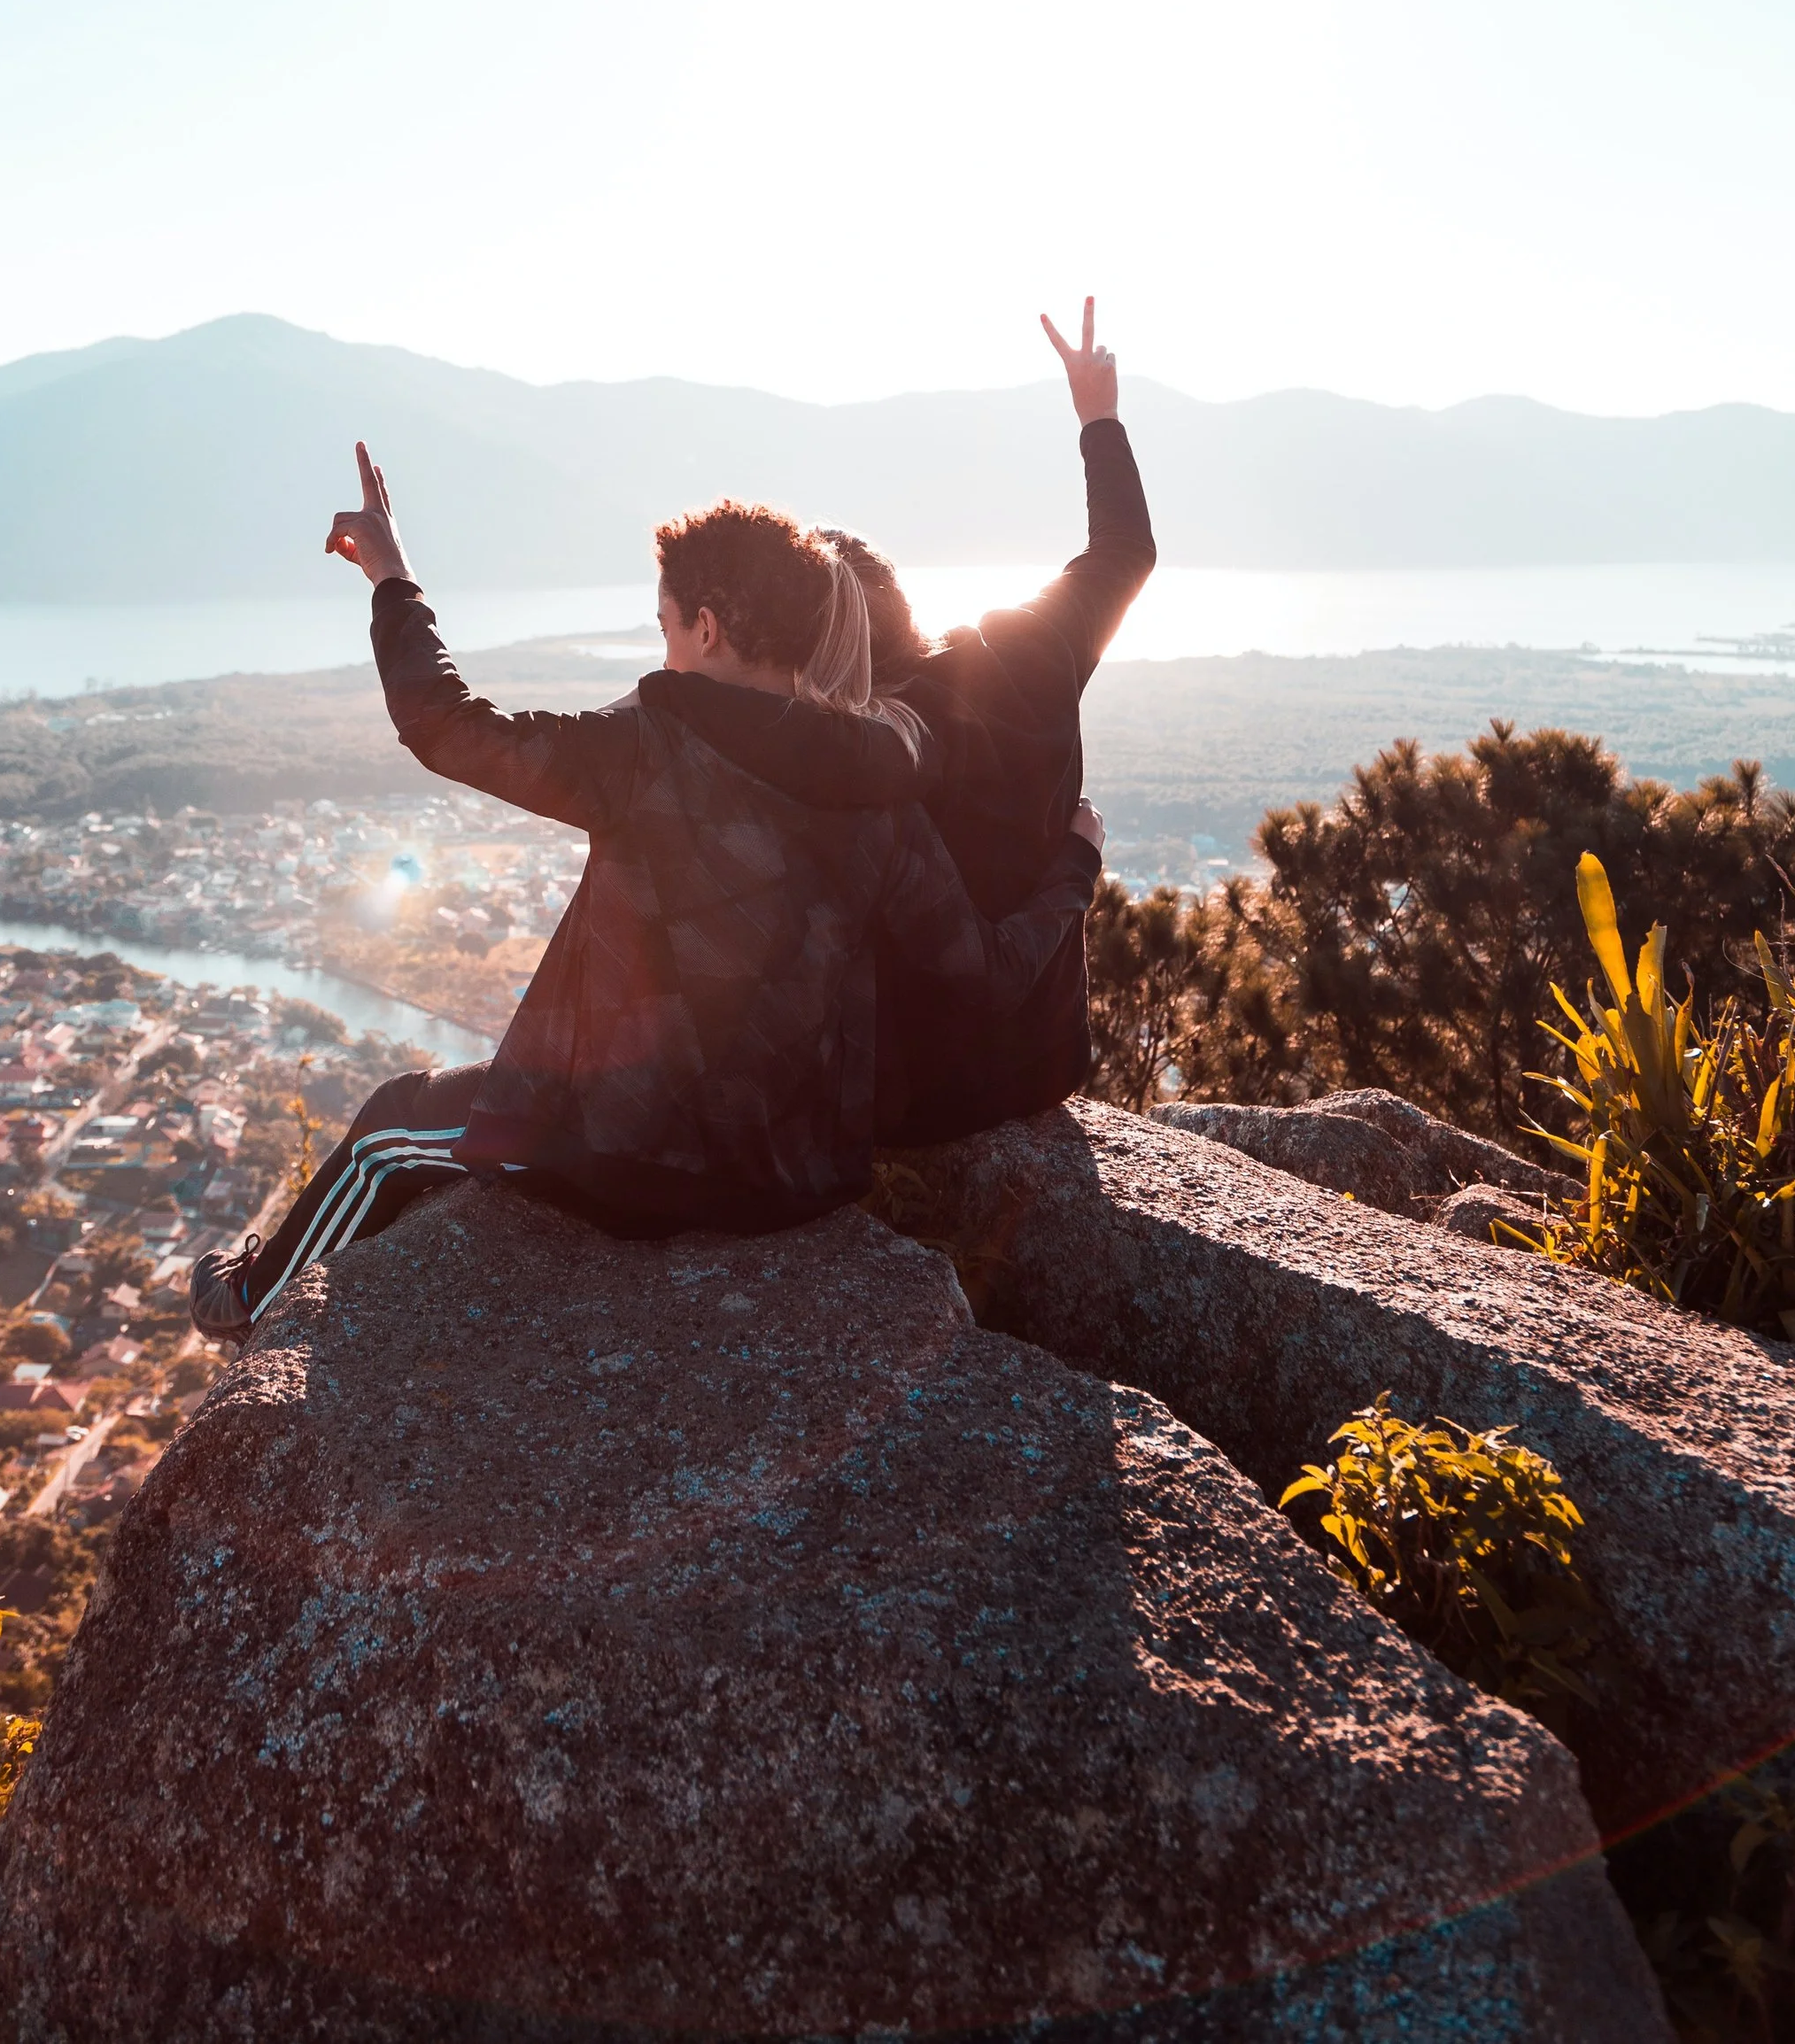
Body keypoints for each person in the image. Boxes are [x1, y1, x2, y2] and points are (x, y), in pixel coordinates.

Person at [190, 452, 1102, 1339]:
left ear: (706, 627)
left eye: (664, 621)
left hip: (629, 1158)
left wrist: (393, 576)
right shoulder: (883, 783)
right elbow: (985, 974)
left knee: (393, 1123)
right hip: (797, 1176)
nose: (660, 644)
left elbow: (443, 725)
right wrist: (1075, 866)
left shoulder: (645, 751)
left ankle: (246, 1304)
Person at [826, 297, 1156, 1143]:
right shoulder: (1028, 647)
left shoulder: (851, 753)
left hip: (908, 1097)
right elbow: (1126, 551)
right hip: (1044, 1063)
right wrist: (1098, 417)